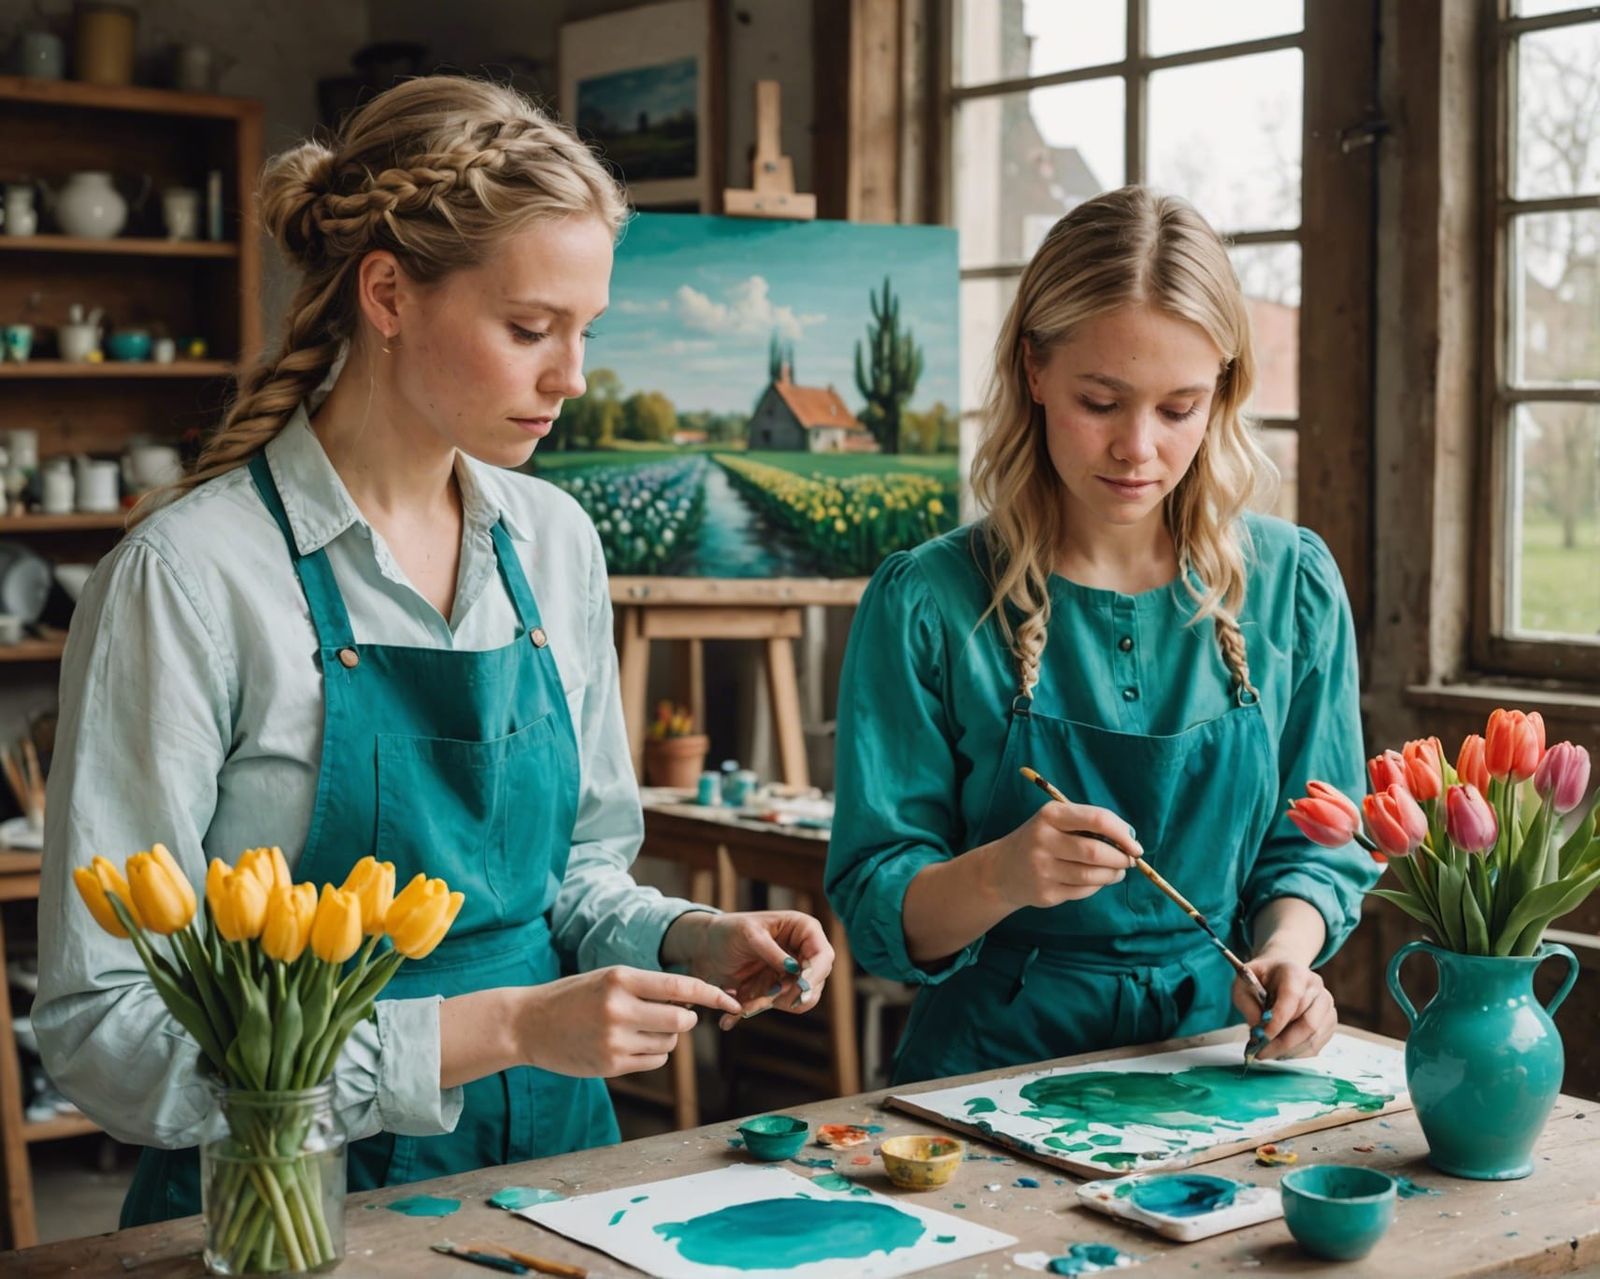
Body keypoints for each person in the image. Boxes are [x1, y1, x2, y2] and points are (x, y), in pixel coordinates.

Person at [35, 75, 833, 1226]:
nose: (570, 378)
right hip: (286, 1204)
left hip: (563, 1180)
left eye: (585, 333)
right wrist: (502, 1026)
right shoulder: (192, 577)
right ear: (388, 292)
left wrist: (686, 931)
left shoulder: (553, 541)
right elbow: (106, 1027)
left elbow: (567, 875)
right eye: (528, 330)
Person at [826, 186, 1374, 1086]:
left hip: (1217, 1066)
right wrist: (1004, 874)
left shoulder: (1293, 586)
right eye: (1101, 400)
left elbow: (1318, 840)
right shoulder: (927, 600)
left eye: (1178, 408)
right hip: (986, 1080)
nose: (1137, 448)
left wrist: (1288, 950)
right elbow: (883, 909)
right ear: (1035, 371)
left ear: (1221, 396)